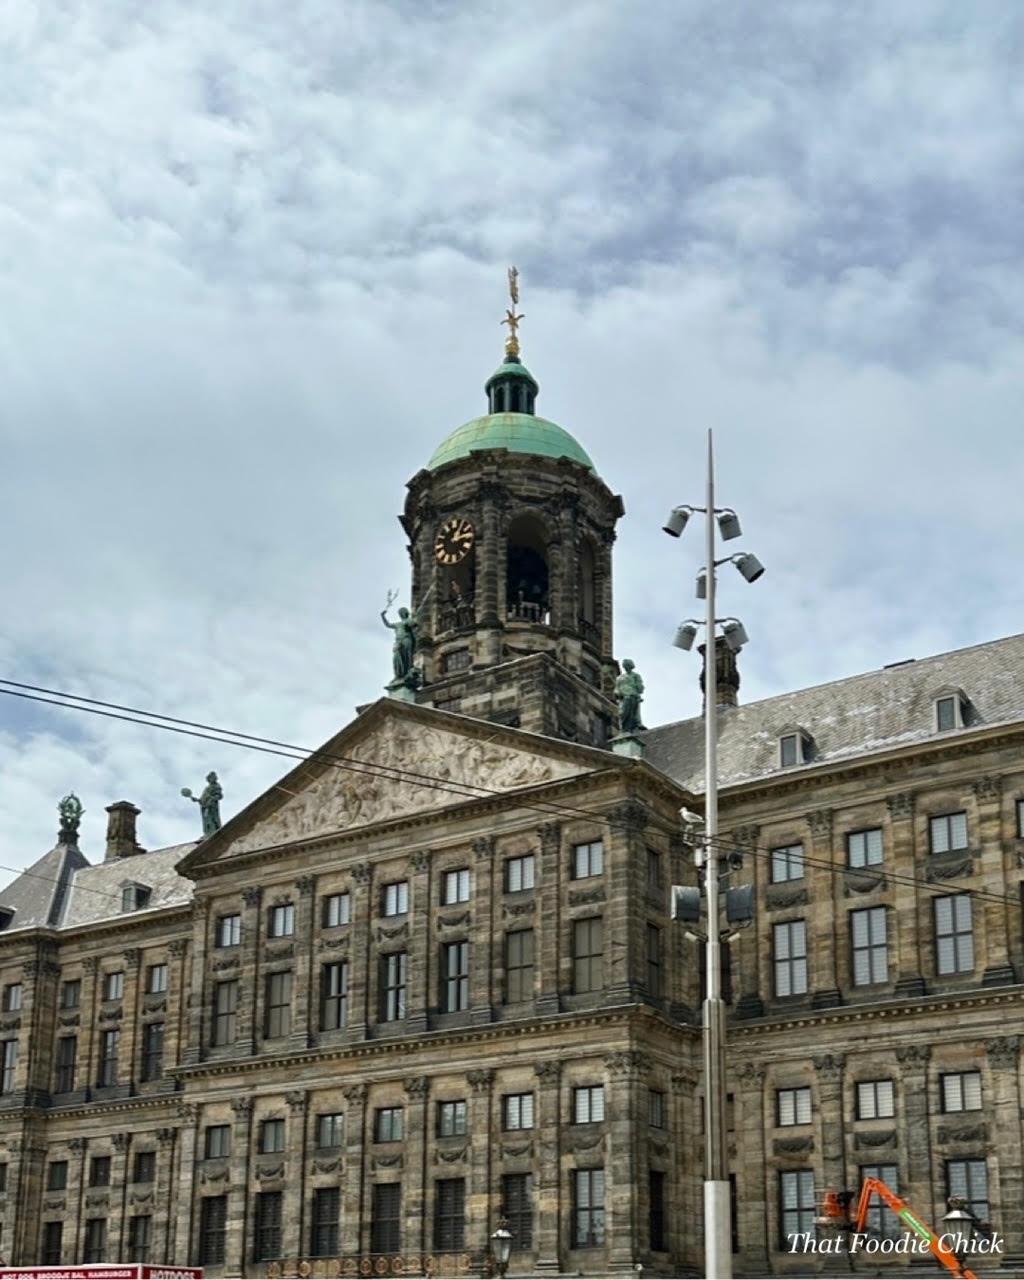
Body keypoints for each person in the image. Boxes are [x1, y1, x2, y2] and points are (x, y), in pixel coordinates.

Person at [382, 604, 420, 681]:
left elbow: (414, 624)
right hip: (399, 641)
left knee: (407, 656)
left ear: (405, 613)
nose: (401, 614)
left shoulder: (409, 620)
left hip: (407, 639)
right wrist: (383, 616)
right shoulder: (398, 624)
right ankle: (399, 673)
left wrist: (412, 620)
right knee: (397, 656)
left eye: (402, 612)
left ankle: (409, 671)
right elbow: (388, 624)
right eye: (400, 613)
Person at [184, 771, 223, 835]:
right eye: (210, 778)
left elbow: (219, 795)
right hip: (205, 807)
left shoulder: (216, 786)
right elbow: (202, 799)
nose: (211, 779)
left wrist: (212, 799)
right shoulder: (207, 788)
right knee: (207, 820)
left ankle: (214, 831)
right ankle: (208, 832)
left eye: (213, 778)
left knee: (212, 819)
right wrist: (197, 799)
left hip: (211, 806)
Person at [614, 659, 646, 733]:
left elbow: (640, 688)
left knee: (634, 713)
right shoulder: (619, 678)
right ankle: (623, 728)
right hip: (623, 697)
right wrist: (617, 693)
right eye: (625, 665)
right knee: (622, 713)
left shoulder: (636, 676)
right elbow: (616, 688)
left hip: (632, 696)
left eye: (627, 665)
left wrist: (638, 688)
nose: (626, 667)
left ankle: (636, 726)